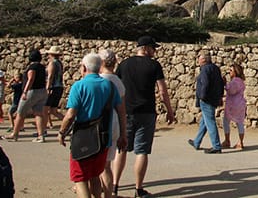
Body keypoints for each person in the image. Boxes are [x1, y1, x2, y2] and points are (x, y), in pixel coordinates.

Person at [57, 53, 126, 198]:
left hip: (83, 138)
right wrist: (123, 135)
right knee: (96, 174)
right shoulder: (110, 86)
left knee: (80, 179)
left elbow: (70, 115)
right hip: (103, 138)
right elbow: (121, 112)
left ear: (83, 67)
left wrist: (62, 132)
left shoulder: (79, 86)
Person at [115, 36, 176, 198]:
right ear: (146, 48)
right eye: (153, 48)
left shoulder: (124, 64)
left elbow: (115, 86)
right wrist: (169, 110)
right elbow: (162, 91)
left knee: (121, 149)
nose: (155, 51)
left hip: (126, 111)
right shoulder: (154, 66)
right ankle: (138, 188)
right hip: (147, 112)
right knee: (142, 151)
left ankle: (114, 185)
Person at [99, 49, 127, 198]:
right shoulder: (118, 82)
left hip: (100, 124)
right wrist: (123, 132)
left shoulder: (98, 80)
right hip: (114, 123)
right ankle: (109, 194)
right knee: (106, 165)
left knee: (99, 166)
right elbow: (122, 110)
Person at [3, 49, 47, 142]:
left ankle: (14, 134)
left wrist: (25, 91)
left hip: (32, 91)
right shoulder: (42, 67)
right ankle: (41, 135)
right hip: (42, 91)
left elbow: (30, 79)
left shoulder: (32, 67)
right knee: (38, 113)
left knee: (20, 112)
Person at [187, 53, 225, 154]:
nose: (198, 61)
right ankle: (197, 142)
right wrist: (220, 96)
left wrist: (202, 97)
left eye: (199, 59)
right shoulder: (216, 68)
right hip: (213, 99)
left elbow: (205, 83)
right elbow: (221, 83)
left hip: (207, 100)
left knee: (210, 122)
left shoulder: (205, 69)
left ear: (203, 60)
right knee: (205, 121)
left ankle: (216, 146)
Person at [222, 63, 246, 150]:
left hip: (233, 105)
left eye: (231, 70)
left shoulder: (235, 81)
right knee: (240, 123)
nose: (229, 72)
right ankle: (240, 141)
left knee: (226, 121)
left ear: (235, 72)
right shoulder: (241, 81)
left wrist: (225, 84)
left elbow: (231, 91)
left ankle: (227, 140)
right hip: (240, 104)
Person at [43, 45, 65, 131]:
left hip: (53, 87)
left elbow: (50, 75)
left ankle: (43, 129)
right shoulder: (59, 63)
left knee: (45, 109)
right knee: (53, 110)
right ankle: (70, 123)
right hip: (59, 86)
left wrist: (48, 87)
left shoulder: (52, 63)